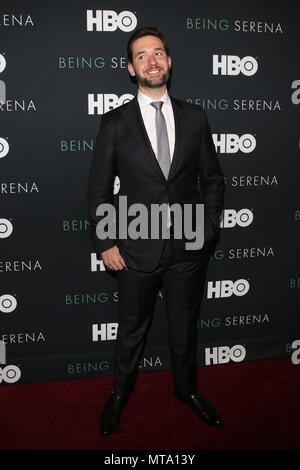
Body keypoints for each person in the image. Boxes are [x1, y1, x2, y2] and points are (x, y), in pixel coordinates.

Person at [87, 26, 225, 437]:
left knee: (185, 326)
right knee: (131, 330)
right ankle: (119, 396)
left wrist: (209, 227)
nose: (152, 60)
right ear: (131, 68)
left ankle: (188, 392)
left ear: (169, 61)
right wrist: (106, 240)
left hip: (188, 247)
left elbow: (212, 179)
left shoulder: (195, 116)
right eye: (142, 55)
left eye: (158, 53)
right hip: (134, 249)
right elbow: (98, 190)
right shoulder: (114, 123)